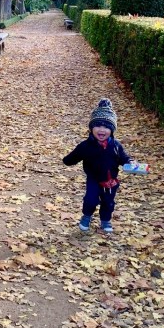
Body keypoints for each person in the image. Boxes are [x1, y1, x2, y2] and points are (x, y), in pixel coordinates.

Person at [63, 98, 134, 234]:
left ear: (112, 130)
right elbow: (75, 155)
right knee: (90, 199)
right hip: (94, 179)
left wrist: (130, 163)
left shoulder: (116, 146)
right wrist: (67, 160)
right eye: (98, 126)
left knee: (108, 202)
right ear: (91, 128)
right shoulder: (86, 146)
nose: (102, 130)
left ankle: (105, 220)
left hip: (111, 181)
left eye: (106, 127)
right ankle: (87, 216)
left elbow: (124, 157)